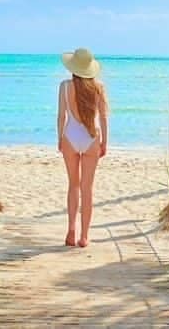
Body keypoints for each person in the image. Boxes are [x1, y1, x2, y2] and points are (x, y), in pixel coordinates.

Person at [56, 47, 109, 248]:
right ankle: (84, 236)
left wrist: (59, 138)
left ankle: (71, 229)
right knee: (87, 188)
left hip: (70, 136)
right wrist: (105, 141)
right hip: (91, 138)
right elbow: (103, 117)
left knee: (73, 185)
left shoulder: (64, 86)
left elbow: (61, 116)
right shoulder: (98, 87)